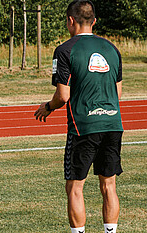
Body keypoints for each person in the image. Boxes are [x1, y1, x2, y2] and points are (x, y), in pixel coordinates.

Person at [34, 1, 123, 232]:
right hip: (113, 123)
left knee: (75, 187)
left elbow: (63, 96)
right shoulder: (112, 49)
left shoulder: (64, 50)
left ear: (70, 20)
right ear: (94, 21)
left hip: (84, 126)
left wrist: (47, 107)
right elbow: (118, 92)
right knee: (109, 185)